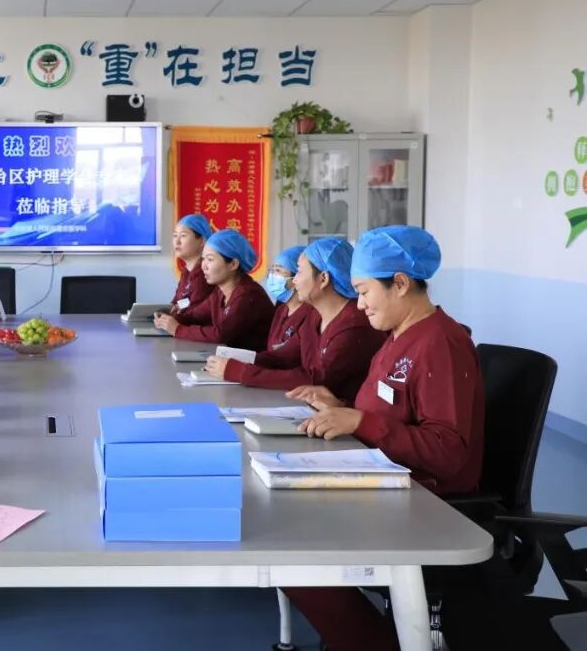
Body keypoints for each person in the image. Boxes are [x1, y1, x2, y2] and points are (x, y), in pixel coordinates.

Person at [282, 225, 485, 651]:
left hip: (425, 503)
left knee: (296, 552)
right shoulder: (396, 336)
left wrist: (360, 422)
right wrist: (339, 405)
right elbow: (388, 412)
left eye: (363, 292)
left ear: (401, 283)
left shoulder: (440, 343)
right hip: (387, 480)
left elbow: (448, 452)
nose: (359, 304)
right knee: (287, 524)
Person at [206, 237, 386, 401]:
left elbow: (316, 379)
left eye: (299, 272)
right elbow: (283, 357)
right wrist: (234, 360)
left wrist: (240, 371)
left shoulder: (354, 324)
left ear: (323, 279)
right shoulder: (314, 315)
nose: (295, 281)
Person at [153, 229, 273, 348]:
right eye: (203, 259)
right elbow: (196, 315)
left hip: (251, 358)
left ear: (233, 264)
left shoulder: (247, 295)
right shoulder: (220, 291)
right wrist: (170, 319)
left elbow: (221, 335)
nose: (203, 266)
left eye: (210, 259)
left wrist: (177, 329)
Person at [261, 245, 313, 352]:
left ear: (296, 278)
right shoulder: (281, 310)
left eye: (278, 271)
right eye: (272, 270)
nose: (271, 276)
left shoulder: (310, 313)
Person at [169, 214, 216, 314]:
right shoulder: (187, 271)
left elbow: (194, 306)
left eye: (183, 236)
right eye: (175, 236)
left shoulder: (205, 271)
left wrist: (176, 307)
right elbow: (181, 301)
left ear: (202, 241)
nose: (177, 241)